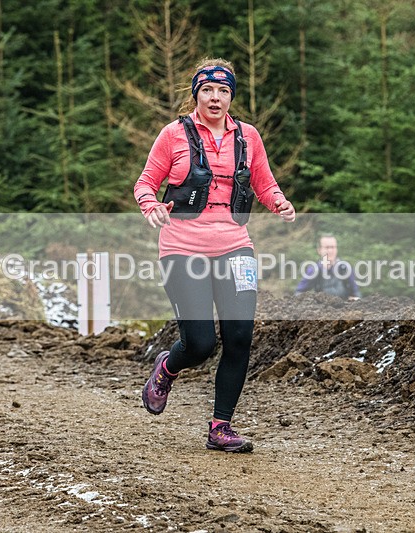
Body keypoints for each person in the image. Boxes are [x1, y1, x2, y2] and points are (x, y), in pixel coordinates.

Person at [133, 57, 295, 453]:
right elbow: (145, 184)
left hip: (235, 245)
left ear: (231, 96)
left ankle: (220, 427)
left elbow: (264, 183)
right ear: (196, 95)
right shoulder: (173, 134)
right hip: (182, 247)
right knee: (201, 343)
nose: (216, 97)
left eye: (223, 91)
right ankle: (167, 368)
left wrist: (280, 203)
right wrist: (151, 205)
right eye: (207, 90)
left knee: (240, 337)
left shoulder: (249, 137)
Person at [294, 233, 361, 300]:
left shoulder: (345, 268)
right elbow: (299, 293)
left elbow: (356, 293)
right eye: (327, 247)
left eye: (333, 247)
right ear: (319, 250)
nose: (330, 251)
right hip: (320, 309)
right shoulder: (314, 270)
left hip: (345, 308)